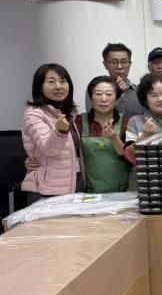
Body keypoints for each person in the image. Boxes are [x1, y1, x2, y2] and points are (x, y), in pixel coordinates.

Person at [21, 63, 80, 202]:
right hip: (47, 190)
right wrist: (60, 131)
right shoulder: (33, 114)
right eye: (51, 81)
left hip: (73, 184)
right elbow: (48, 150)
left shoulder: (71, 113)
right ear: (40, 87)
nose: (58, 86)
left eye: (63, 81)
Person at [76, 76, 132, 193]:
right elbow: (70, 155)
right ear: (91, 97)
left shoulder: (127, 122)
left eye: (109, 94)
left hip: (123, 192)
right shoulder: (79, 121)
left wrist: (113, 138)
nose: (103, 99)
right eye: (98, 94)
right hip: (89, 193)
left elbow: (131, 158)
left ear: (116, 98)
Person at [85, 43, 144, 116]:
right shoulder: (95, 89)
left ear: (130, 64)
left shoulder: (139, 91)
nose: (119, 66)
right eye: (114, 62)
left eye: (124, 62)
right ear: (105, 65)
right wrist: (118, 93)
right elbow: (92, 118)